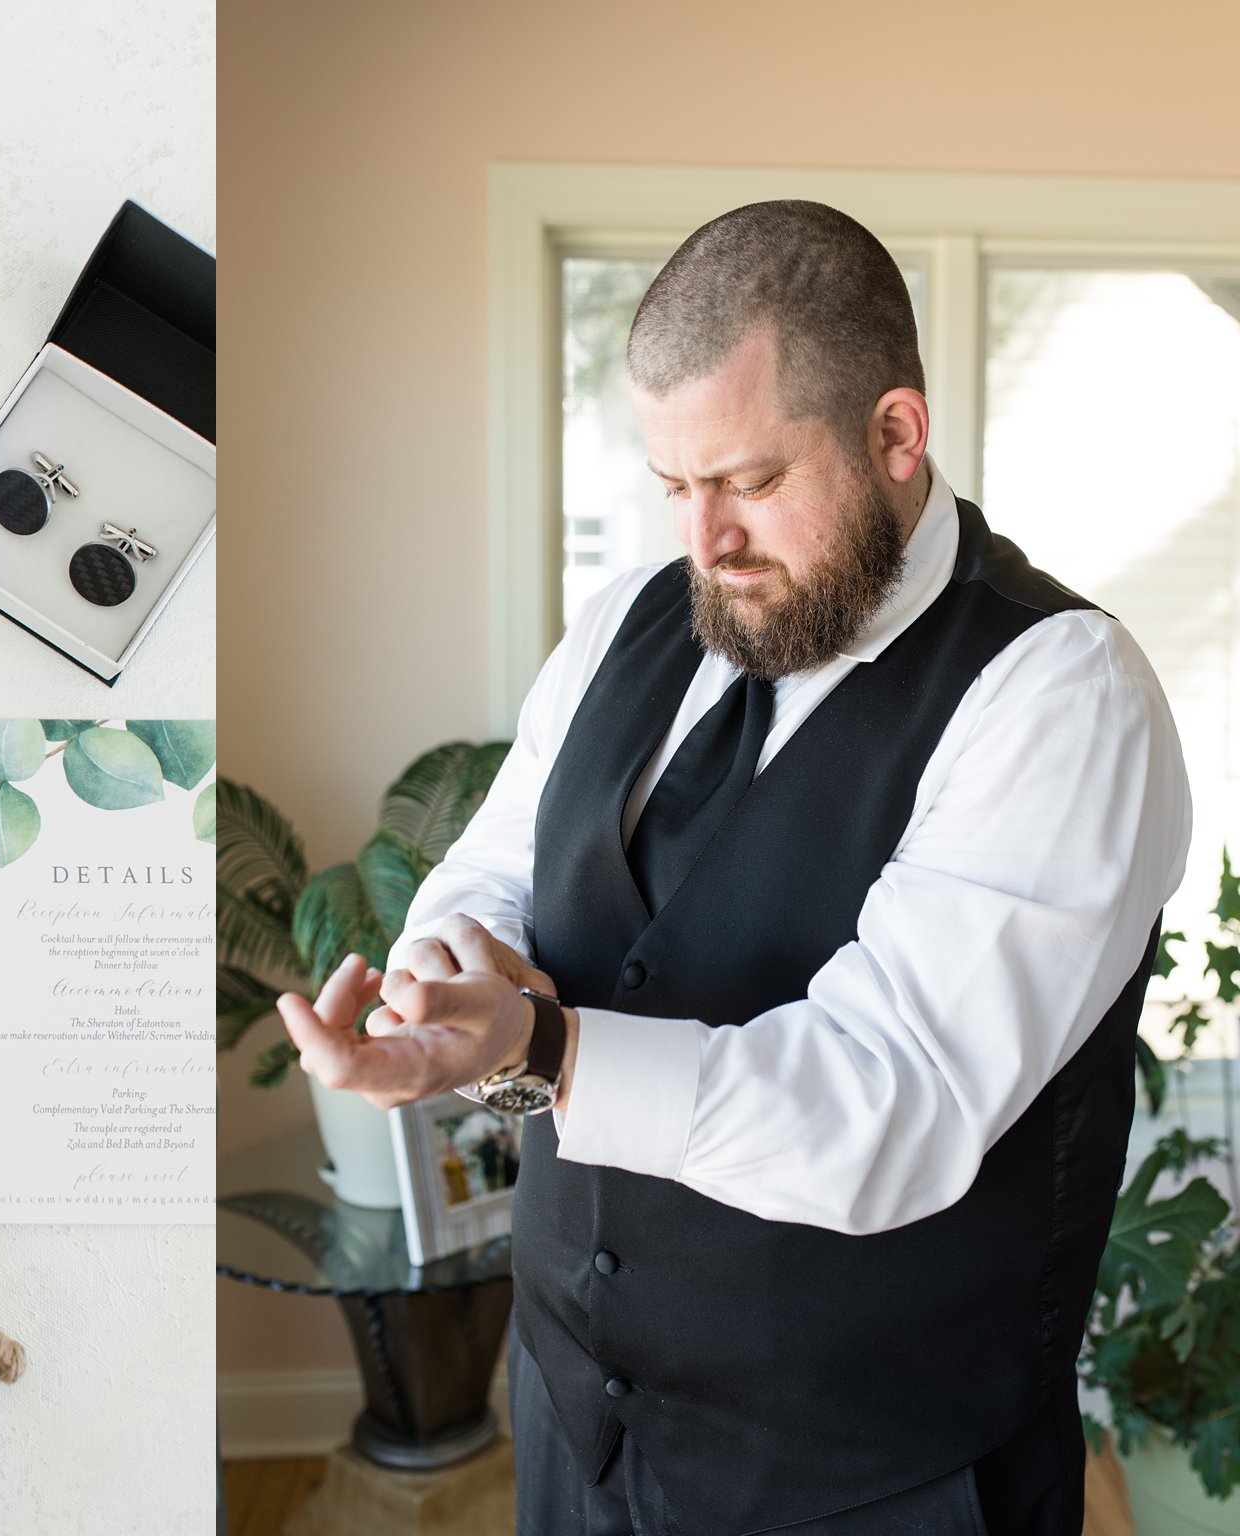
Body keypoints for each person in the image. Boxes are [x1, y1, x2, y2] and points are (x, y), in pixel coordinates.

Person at [276, 200, 1191, 1535]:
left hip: (875, 1480)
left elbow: (891, 1102)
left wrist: (545, 1048)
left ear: (896, 434)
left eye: (751, 482)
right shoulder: (629, 624)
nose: (704, 542)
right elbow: (494, 865)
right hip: (572, 1422)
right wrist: (443, 980)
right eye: (673, 487)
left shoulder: (1061, 696)